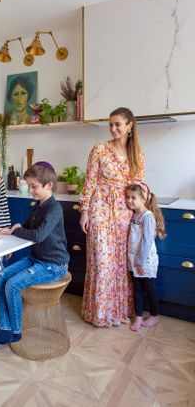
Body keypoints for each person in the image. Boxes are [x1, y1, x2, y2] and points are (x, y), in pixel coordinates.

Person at [0, 161, 69, 345]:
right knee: (2, 276)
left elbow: (38, 235)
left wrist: (16, 231)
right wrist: (14, 227)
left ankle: (16, 332)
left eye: (34, 186)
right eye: (29, 186)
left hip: (54, 265)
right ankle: (4, 329)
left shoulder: (54, 208)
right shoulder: (38, 206)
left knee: (12, 285)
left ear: (49, 185)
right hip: (38, 259)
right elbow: (29, 226)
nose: (30, 191)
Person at [79, 107, 145, 327]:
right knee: (102, 261)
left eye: (118, 124)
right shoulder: (99, 149)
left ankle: (118, 311)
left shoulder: (138, 156)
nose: (113, 128)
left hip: (125, 211)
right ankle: (98, 312)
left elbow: (139, 187)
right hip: (100, 208)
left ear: (130, 125)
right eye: (111, 124)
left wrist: (141, 212)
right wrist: (85, 211)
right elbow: (90, 181)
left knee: (120, 263)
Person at [126, 182, 165, 332]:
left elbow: (148, 240)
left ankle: (155, 315)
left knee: (148, 288)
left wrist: (141, 261)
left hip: (144, 261)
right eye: (128, 197)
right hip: (134, 259)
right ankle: (139, 317)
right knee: (137, 289)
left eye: (133, 198)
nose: (129, 201)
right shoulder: (134, 214)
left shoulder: (147, 216)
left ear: (143, 199)